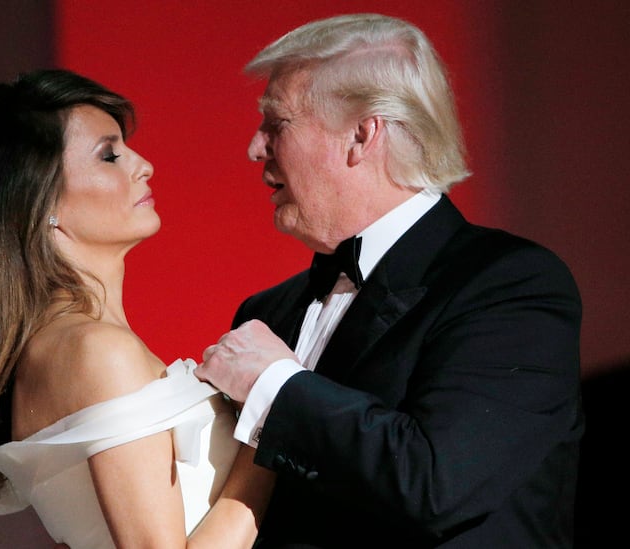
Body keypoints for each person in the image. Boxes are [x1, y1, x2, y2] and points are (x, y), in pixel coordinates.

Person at [196, 13, 583, 548]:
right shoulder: (268, 313)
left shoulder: (510, 285)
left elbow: (437, 482)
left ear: (362, 134)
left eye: (276, 123)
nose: (254, 148)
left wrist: (275, 385)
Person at [0, 68, 272, 549]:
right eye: (109, 155)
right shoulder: (95, 351)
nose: (143, 165)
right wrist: (268, 439)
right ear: (39, 206)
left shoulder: (61, 348)